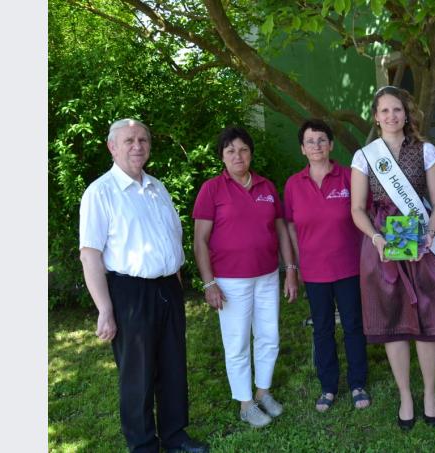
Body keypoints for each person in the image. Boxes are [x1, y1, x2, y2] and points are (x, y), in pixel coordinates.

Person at [79, 119, 209, 453]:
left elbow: (170, 239)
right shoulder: (100, 192)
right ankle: (143, 445)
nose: (138, 146)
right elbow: (90, 255)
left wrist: (176, 285)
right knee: (137, 374)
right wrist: (105, 309)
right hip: (130, 293)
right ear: (112, 147)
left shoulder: (157, 188)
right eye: (129, 140)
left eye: (143, 140)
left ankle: (175, 435)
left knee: (173, 365)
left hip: (168, 288)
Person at [350, 86, 435, 430]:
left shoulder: (425, 150)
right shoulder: (364, 156)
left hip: (420, 239)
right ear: (376, 117)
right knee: (393, 319)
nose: (392, 116)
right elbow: (357, 209)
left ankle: (429, 394)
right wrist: (376, 238)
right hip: (383, 243)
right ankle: (405, 396)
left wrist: (431, 232)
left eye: (397, 109)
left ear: (406, 114)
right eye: (385, 111)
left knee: (426, 317)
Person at [192, 126, 299, 429]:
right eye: (230, 151)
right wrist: (209, 283)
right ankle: (245, 403)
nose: (237, 156)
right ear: (222, 157)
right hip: (230, 281)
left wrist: (290, 270)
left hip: (267, 276)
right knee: (237, 342)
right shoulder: (211, 189)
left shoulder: (266, 186)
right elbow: (200, 240)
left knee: (269, 336)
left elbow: (281, 231)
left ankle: (263, 392)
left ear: (251, 153)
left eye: (243, 150)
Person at [283, 119, 370, 412]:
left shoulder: (349, 177)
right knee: (322, 329)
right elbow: (291, 226)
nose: (316, 146)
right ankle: (328, 387)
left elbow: (365, 213)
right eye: (310, 141)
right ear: (302, 149)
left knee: (353, 325)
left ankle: (358, 383)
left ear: (331, 145)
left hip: (349, 267)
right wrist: (297, 263)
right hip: (314, 271)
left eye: (322, 140)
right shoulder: (294, 184)